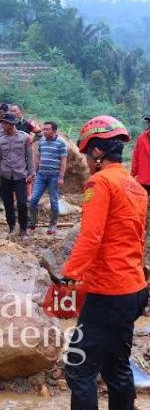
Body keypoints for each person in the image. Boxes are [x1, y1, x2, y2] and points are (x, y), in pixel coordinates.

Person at [63, 115, 148, 410]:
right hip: (134, 289)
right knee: (116, 365)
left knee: (79, 367)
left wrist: (69, 275)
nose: (86, 159)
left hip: (108, 291)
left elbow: (91, 236)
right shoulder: (135, 186)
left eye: (87, 153)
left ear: (98, 153)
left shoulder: (99, 182)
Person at [0, 112, 33, 236]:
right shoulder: (0, 141)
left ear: (12, 124)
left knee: (22, 203)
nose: (3, 126)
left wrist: (31, 173)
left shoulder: (25, 138)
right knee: (8, 203)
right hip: (5, 176)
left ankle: (23, 229)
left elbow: (29, 157)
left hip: (20, 175)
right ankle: (11, 227)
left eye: (5, 124)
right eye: (2, 124)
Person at [28, 121, 67, 234]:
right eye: (44, 129)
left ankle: (52, 225)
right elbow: (38, 158)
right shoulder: (41, 141)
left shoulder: (61, 143)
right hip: (41, 175)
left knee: (53, 201)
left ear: (54, 131)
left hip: (54, 177)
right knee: (34, 199)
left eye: (47, 129)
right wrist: (34, 172)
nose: (44, 131)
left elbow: (63, 161)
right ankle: (32, 222)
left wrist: (61, 177)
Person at [131, 113, 150, 231]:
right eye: (148, 122)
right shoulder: (142, 137)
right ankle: (140, 228)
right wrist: (133, 173)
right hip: (143, 179)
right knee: (140, 207)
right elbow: (136, 156)